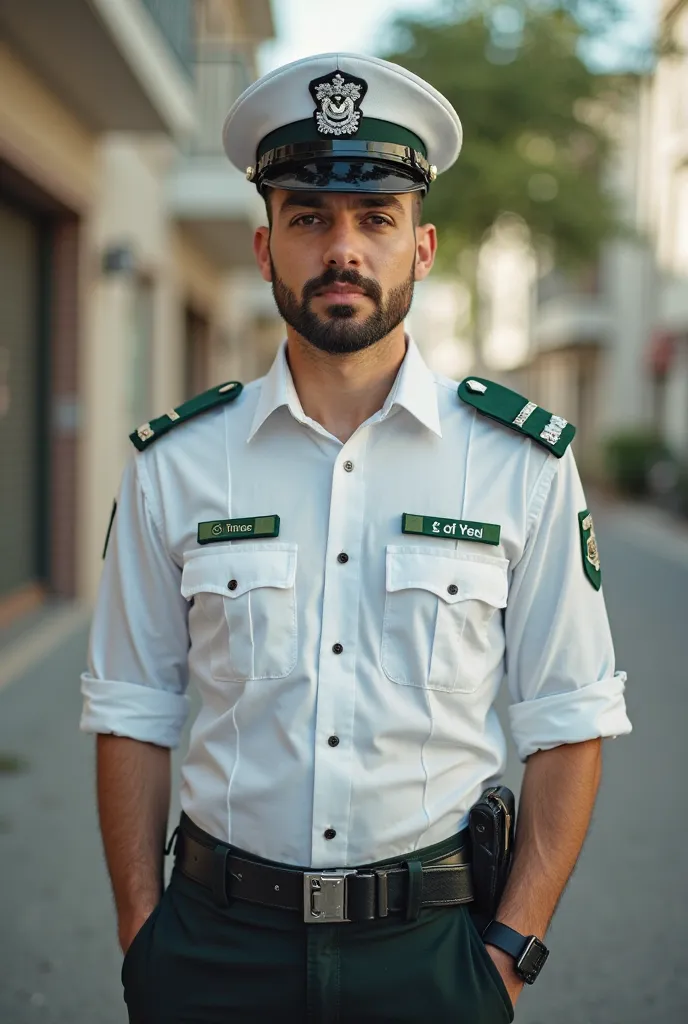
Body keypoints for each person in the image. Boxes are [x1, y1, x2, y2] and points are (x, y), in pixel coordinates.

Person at [80, 52, 632, 1024]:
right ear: (264, 249)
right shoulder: (175, 464)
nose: (343, 248)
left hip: (429, 955)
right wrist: (143, 936)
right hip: (213, 946)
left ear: (420, 248)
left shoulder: (519, 464)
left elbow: (568, 716)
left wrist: (507, 954)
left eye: (375, 219)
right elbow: (132, 706)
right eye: (308, 218)